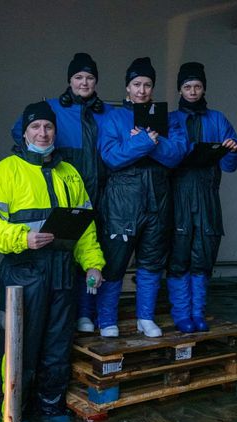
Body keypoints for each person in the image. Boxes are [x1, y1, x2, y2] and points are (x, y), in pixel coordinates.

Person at [0, 101, 105, 422]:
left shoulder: (69, 173)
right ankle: (17, 408)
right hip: (24, 272)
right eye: (36, 127)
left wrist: (93, 265)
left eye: (48, 127)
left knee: (58, 344)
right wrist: (22, 238)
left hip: (62, 272)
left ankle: (51, 406)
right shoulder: (3, 172)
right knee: (22, 344)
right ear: (24, 132)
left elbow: (85, 227)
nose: (43, 133)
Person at [12, 52, 113, 334]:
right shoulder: (52, 109)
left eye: (90, 77)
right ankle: (79, 314)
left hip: (102, 192)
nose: (84, 82)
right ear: (69, 80)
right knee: (69, 251)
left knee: (97, 252)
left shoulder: (107, 112)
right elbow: (22, 132)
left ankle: (97, 314)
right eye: (79, 77)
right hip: (66, 185)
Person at [95, 57, 187, 338]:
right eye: (137, 84)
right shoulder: (114, 117)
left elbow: (176, 155)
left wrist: (148, 142)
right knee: (114, 263)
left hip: (158, 200)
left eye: (147, 85)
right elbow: (111, 157)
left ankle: (145, 318)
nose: (142, 90)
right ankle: (106, 319)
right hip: (122, 202)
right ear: (127, 87)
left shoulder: (168, 119)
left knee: (151, 261)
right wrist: (146, 141)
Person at [167, 62, 237, 333]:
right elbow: (162, 156)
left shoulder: (218, 119)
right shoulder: (171, 119)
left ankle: (198, 313)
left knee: (204, 254)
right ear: (180, 89)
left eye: (197, 86)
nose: (193, 91)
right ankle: (181, 313)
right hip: (179, 195)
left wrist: (232, 150)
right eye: (187, 86)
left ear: (204, 88)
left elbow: (230, 165)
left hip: (208, 195)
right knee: (179, 254)